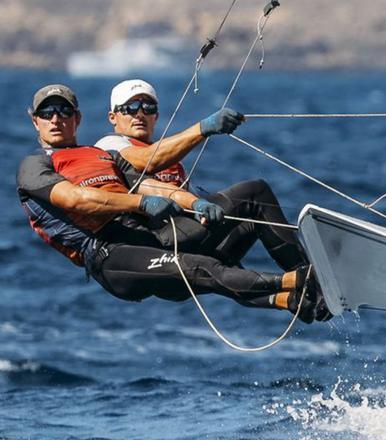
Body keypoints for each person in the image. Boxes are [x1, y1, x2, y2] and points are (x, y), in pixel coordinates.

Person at [17, 84, 327, 322]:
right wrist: (141, 204)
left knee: (251, 194)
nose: (55, 119)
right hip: (109, 256)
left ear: (77, 118)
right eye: (47, 114)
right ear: (35, 122)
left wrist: (195, 203)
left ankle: (305, 296)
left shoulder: (103, 156)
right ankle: (302, 281)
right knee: (204, 267)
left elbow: (153, 185)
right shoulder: (34, 165)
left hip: (145, 238)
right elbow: (76, 199)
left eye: (64, 112)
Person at [94, 79, 311, 275]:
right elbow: (147, 160)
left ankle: (307, 298)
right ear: (113, 117)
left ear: (156, 116)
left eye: (148, 107)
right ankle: (305, 274)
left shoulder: (171, 158)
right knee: (255, 192)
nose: (140, 114)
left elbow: (188, 194)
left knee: (251, 219)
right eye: (130, 108)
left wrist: (205, 205)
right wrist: (204, 128)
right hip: (159, 245)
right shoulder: (109, 144)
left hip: (190, 239)